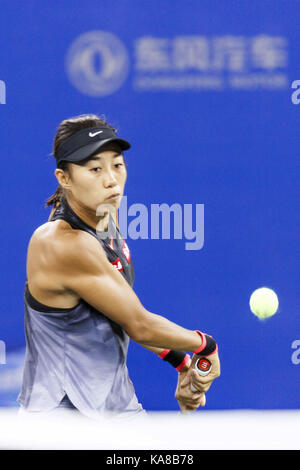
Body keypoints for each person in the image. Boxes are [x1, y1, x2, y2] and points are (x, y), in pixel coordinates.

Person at [17, 113, 220, 421]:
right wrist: (205, 345)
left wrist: (180, 362)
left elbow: (119, 313)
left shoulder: (104, 220)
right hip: (61, 426)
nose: (111, 179)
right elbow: (140, 325)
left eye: (117, 165)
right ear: (64, 178)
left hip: (115, 414)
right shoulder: (61, 243)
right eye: (95, 168)